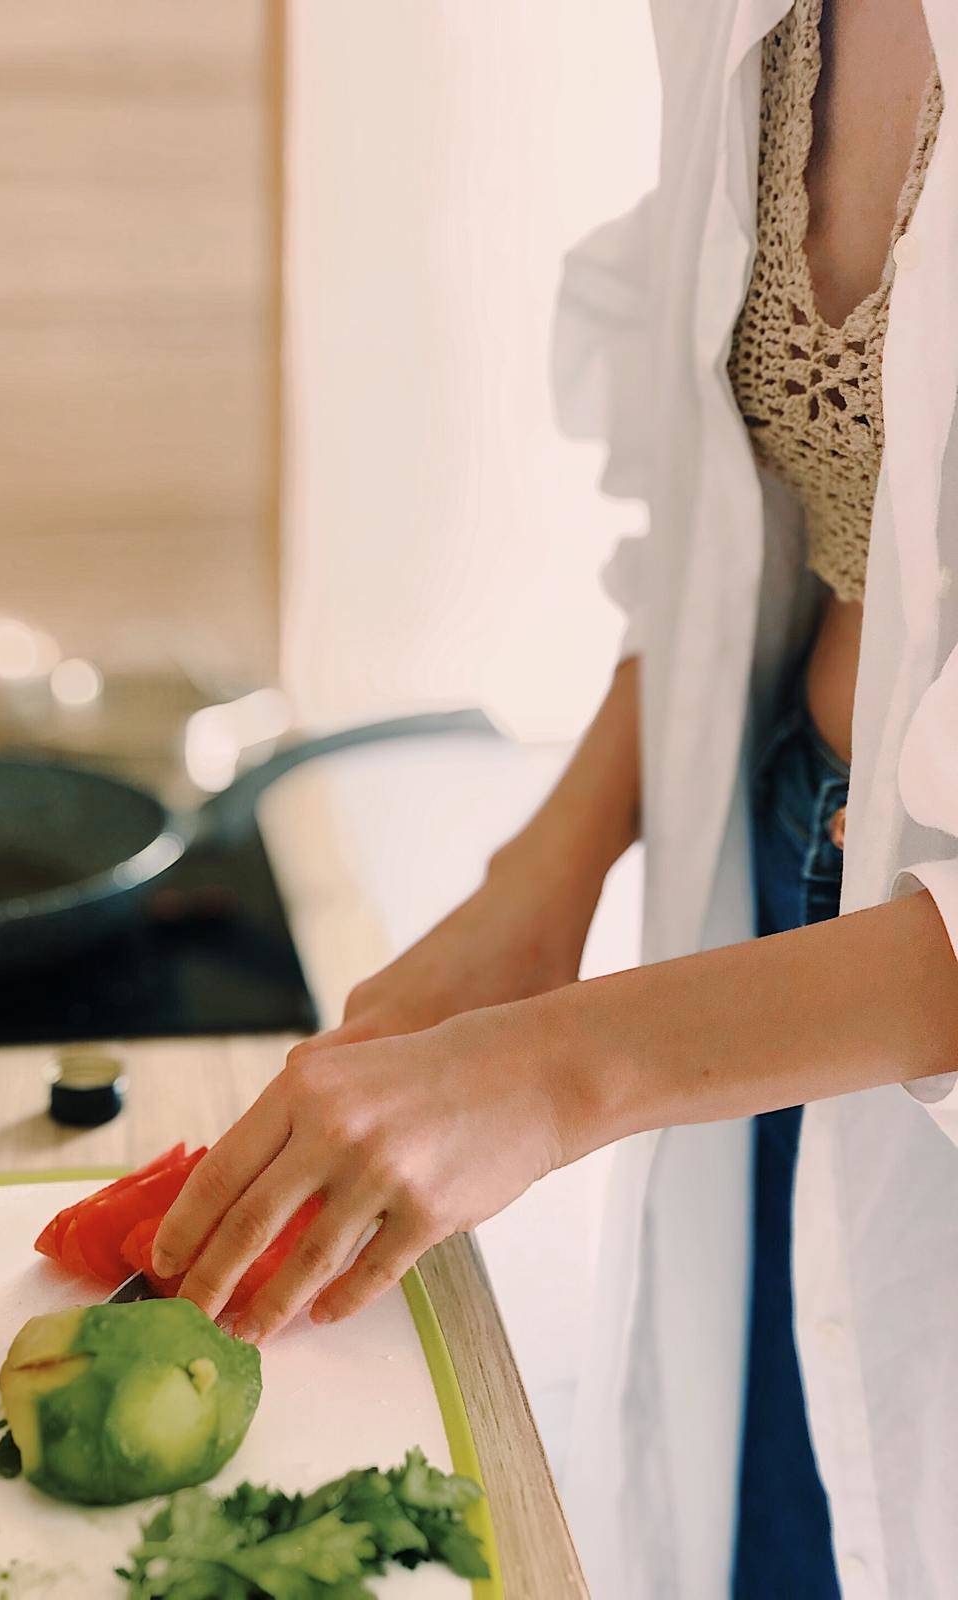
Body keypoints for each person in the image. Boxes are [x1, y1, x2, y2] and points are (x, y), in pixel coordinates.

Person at [153, 1, 958, 1594]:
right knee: (780, 1529)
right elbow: (737, 526)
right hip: (784, 909)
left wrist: (550, 1074)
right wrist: (544, 880)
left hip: (891, 993)